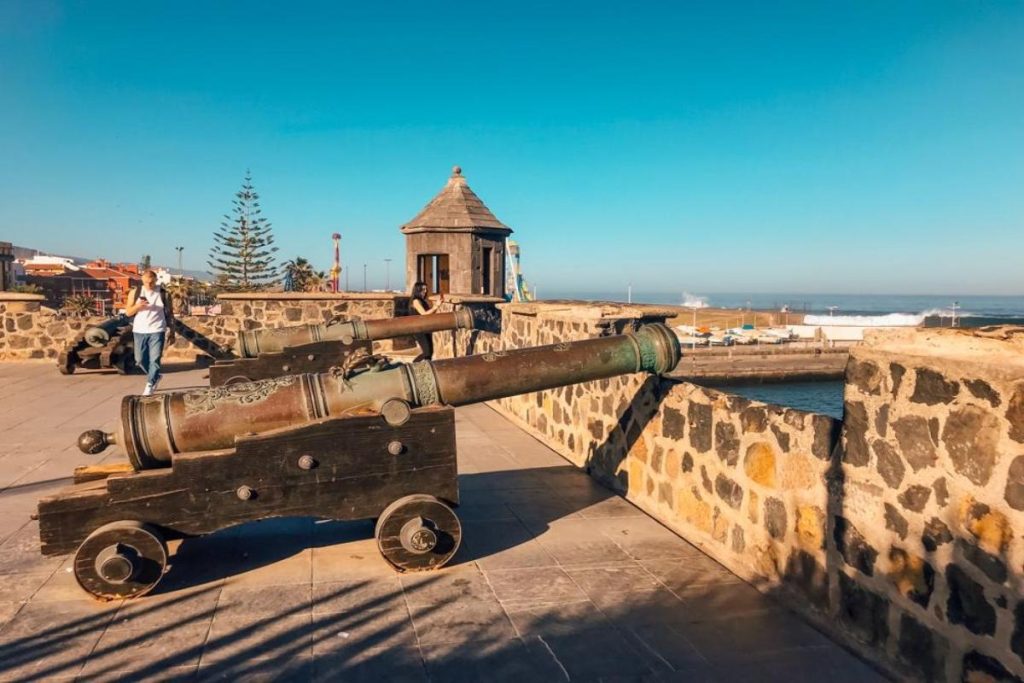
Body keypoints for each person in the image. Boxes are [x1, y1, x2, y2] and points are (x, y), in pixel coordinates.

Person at [125, 270, 176, 395]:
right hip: (139, 330)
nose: (149, 285)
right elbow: (128, 312)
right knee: (140, 359)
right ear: (142, 281)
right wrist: (138, 307)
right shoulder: (135, 292)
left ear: (156, 280)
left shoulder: (164, 294)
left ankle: (150, 384)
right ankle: (156, 376)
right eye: (147, 282)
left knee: (155, 359)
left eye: (152, 282)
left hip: (157, 330)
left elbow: (170, 314)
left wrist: (172, 332)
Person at [409, 281, 444, 361]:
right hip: (418, 329)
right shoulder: (416, 301)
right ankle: (413, 365)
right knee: (427, 352)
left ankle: (425, 367)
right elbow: (424, 314)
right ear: (417, 290)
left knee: (430, 352)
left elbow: (429, 314)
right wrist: (435, 306)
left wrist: (437, 306)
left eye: (426, 289)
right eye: (423, 289)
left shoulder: (422, 300)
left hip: (425, 328)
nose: (425, 291)